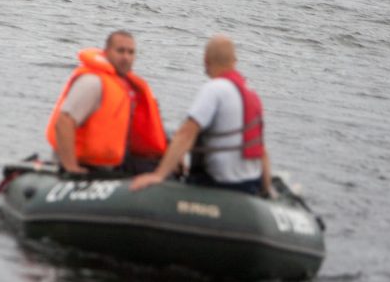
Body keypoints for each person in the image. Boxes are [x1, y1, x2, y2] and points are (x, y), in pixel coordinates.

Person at [130, 35, 273, 196]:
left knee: (171, 167)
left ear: (206, 61)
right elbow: (262, 149)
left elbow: (186, 133)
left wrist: (159, 175)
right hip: (250, 184)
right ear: (234, 61)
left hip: (218, 184)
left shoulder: (214, 89)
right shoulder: (251, 95)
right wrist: (267, 190)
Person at [45, 30, 167, 175]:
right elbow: (64, 122)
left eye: (130, 52)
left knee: (164, 168)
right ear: (106, 52)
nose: (126, 57)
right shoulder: (93, 83)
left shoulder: (127, 88)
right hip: (82, 164)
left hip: (110, 165)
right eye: (120, 51)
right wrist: (71, 167)